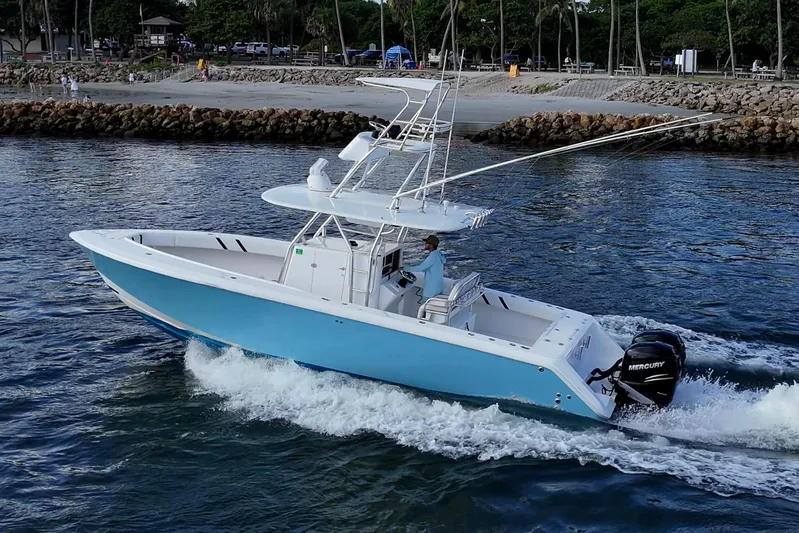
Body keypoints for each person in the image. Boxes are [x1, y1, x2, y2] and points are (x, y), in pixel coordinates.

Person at [400, 235, 446, 301]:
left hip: (430, 291)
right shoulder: (438, 254)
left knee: (423, 309)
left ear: (431, 245)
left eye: (427, 243)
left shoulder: (432, 257)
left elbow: (420, 268)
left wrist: (405, 268)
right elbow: (427, 267)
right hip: (438, 289)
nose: (425, 244)